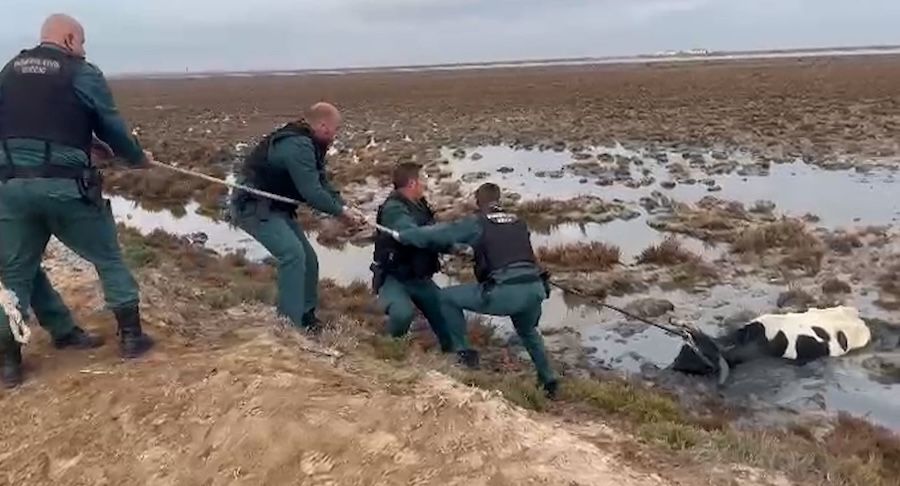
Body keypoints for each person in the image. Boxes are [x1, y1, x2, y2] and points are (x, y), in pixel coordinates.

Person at [0, 14, 155, 388]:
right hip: (66, 188)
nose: (83, 50)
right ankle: (132, 339)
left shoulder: (8, 71)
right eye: (82, 42)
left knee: (15, 275)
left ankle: (8, 364)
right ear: (69, 39)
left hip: (10, 189)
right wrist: (136, 157)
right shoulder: (81, 72)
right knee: (108, 258)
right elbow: (111, 125)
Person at [391, 183, 559, 397]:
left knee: (445, 298)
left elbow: (441, 234)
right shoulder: (518, 222)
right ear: (499, 200)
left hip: (504, 291)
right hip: (534, 289)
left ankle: (464, 354)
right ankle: (549, 381)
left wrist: (406, 236)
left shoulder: (478, 223)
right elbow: (511, 250)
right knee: (528, 332)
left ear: (478, 202)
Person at [230, 102, 364, 331]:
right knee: (292, 255)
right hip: (253, 206)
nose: (335, 135)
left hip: (276, 208)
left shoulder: (311, 143)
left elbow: (321, 183)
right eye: (335, 129)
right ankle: (288, 327)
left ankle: (307, 317)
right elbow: (311, 192)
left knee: (308, 260)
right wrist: (341, 213)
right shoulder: (298, 145)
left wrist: (344, 206)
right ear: (323, 126)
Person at [372, 163, 476, 366]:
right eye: (423, 179)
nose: (425, 184)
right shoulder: (393, 208)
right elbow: (412, 235)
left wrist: (454, 248)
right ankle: (389, 352)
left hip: (421, 278)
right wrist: (451, 231)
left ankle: (459, 358)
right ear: (412, 183)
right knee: (402, 314)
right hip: (396, 278)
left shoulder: (420, 205)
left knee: (448, 314)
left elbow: (430, 237)